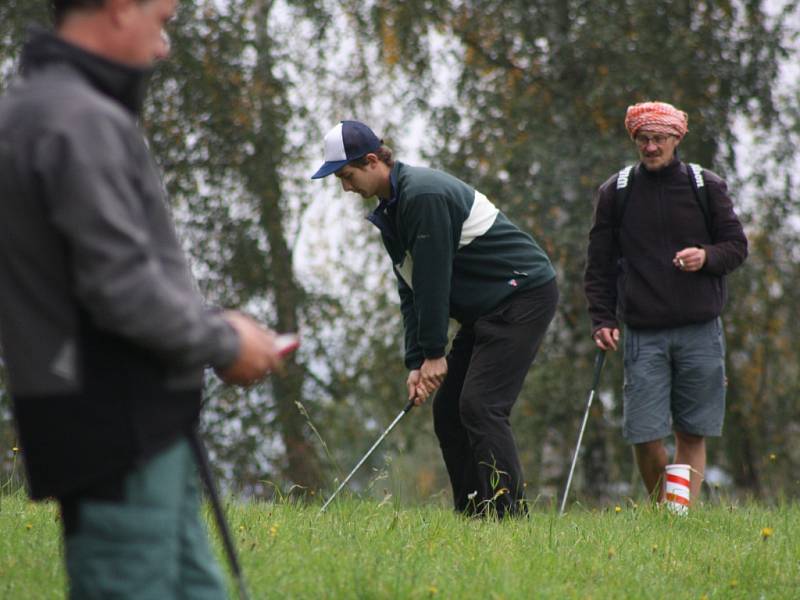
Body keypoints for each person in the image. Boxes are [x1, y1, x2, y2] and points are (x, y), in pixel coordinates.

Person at [0, 1, 285, 597]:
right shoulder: (75, 120)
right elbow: (120, 288)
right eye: (161, 22)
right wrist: (226, 340)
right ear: (119, 7)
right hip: (116, 427)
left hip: (141, 425)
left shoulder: (44, 108)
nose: (164, 48)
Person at [311, 120, 558, 517]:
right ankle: (475, 518)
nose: (345, 186)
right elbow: (410, 289)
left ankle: (510, 519)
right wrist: (416, 362)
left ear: (372, 161)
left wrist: (433, 354)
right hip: (487, 308)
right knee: (448, 413)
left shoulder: (422, 197)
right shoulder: (391, 212)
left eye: (346, 175)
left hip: (521, 296)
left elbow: (433, 282)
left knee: (481, 407)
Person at [584, 101, 748, 507]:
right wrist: (602, 318)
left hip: (700, 329)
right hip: (643, 331)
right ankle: (666, 510)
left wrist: (705, 257)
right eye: (643, 139)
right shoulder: (616, 192)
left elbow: (736, 247)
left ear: (677, 139)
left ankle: (678, 517)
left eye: (658, 139)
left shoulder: (704, 185)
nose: (651, 147)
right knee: (643, 432)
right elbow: (599, 264)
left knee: (692, 431)